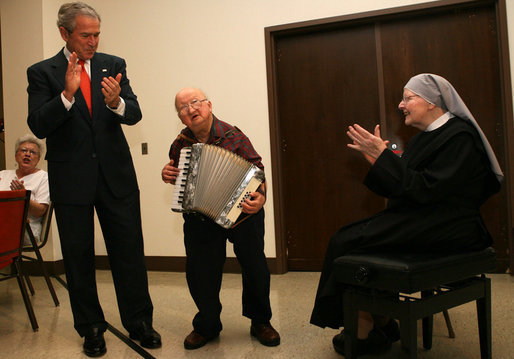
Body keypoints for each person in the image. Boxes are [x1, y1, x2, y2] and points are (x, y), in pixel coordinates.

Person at [310, 73, 503, 357]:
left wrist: (385, 158)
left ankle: (365, 332)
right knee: (351, 237)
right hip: (427, 217)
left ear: (432, 102)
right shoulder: (426, 138)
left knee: (348, 240)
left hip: (453, 226)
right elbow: (410, 185)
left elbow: (427, 189)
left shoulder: (460, 136)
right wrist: (381, 160)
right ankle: (383, 322)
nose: (401, 105)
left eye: (407, 98)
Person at [26, 2, 160, 357]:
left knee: (129, 252)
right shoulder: (43, 72)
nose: (93, 41)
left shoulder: (112, 65)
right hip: (72, 181)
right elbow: (38, 124)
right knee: (78, 257)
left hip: (117, 177)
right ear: (64, 34)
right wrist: (67, 95)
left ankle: (140, 323)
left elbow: (134, 113)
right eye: (86, 35)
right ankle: (92, 329)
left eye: (97, 34)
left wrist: (117, 103)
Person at [161, 87, 280, 349]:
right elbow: (176, 173)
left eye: (195, 102)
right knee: (200, 272)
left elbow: (258, 171)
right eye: (183, 107)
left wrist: (260, 197)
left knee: (255, 267)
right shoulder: (180, 143)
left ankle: (260, 321)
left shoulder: (234, 136)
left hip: (243, 215)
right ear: (181, 117)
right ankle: (207, 325)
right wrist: (167, 174)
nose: (191, 109)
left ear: (209, 105)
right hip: (201, 217)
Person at [0, 134, 50, 244]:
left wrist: (23, 196)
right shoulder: (3, 174)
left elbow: (40, 211)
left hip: (26, 229)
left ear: (38, 159)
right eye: (23, 150)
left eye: (32, 152)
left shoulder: (43, 177)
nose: (27, 154)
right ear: (16, 156)